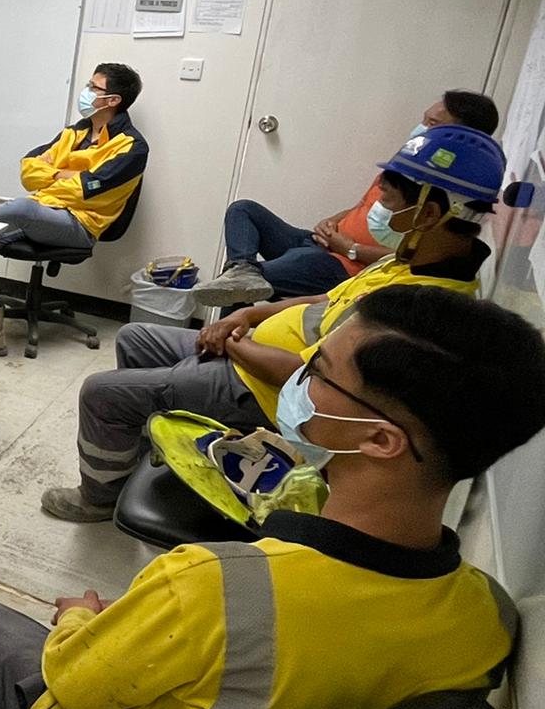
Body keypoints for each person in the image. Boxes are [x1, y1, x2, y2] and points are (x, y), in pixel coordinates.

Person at [0, 284, 545, 709]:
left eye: (316, 371)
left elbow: (74, 683)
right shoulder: (487, 617)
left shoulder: (217, 583)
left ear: (379, 440)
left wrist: (80, 618)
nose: (297, 379)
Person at [50, 123, 502, 522]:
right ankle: (148, 447)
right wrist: (247, 313)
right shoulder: (406, 260)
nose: (379, 207)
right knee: (135, 336)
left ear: (426, 214)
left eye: (388, 200)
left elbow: (309, 382)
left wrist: (232, 340)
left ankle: (97, 498)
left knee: (101, 393)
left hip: (263, 390)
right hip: (248, 353)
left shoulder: (417, 312)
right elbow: (327, 299)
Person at [195, 89, 499, 306]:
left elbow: (409, 258)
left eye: (433, 124)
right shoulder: (410, 164)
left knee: (241, 287)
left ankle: (221, 350)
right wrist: (332, 222)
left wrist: (350, 249)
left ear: (464, 136)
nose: (421, 129)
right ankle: (242, 269)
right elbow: (363, 205)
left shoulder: (445, 198)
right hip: (322, 243)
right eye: (425, 120)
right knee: (243, 211)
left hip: (341, 264)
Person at [0, 64, 147, 356]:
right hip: (43, 212)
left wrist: (56, 175)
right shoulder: (75, 132)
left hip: (80, 226)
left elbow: (84, 191)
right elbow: (28, 170)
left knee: (17, 210)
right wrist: (62, 176)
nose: (85, 93)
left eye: (93, 88)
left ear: (113, 100)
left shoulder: (132, 147)